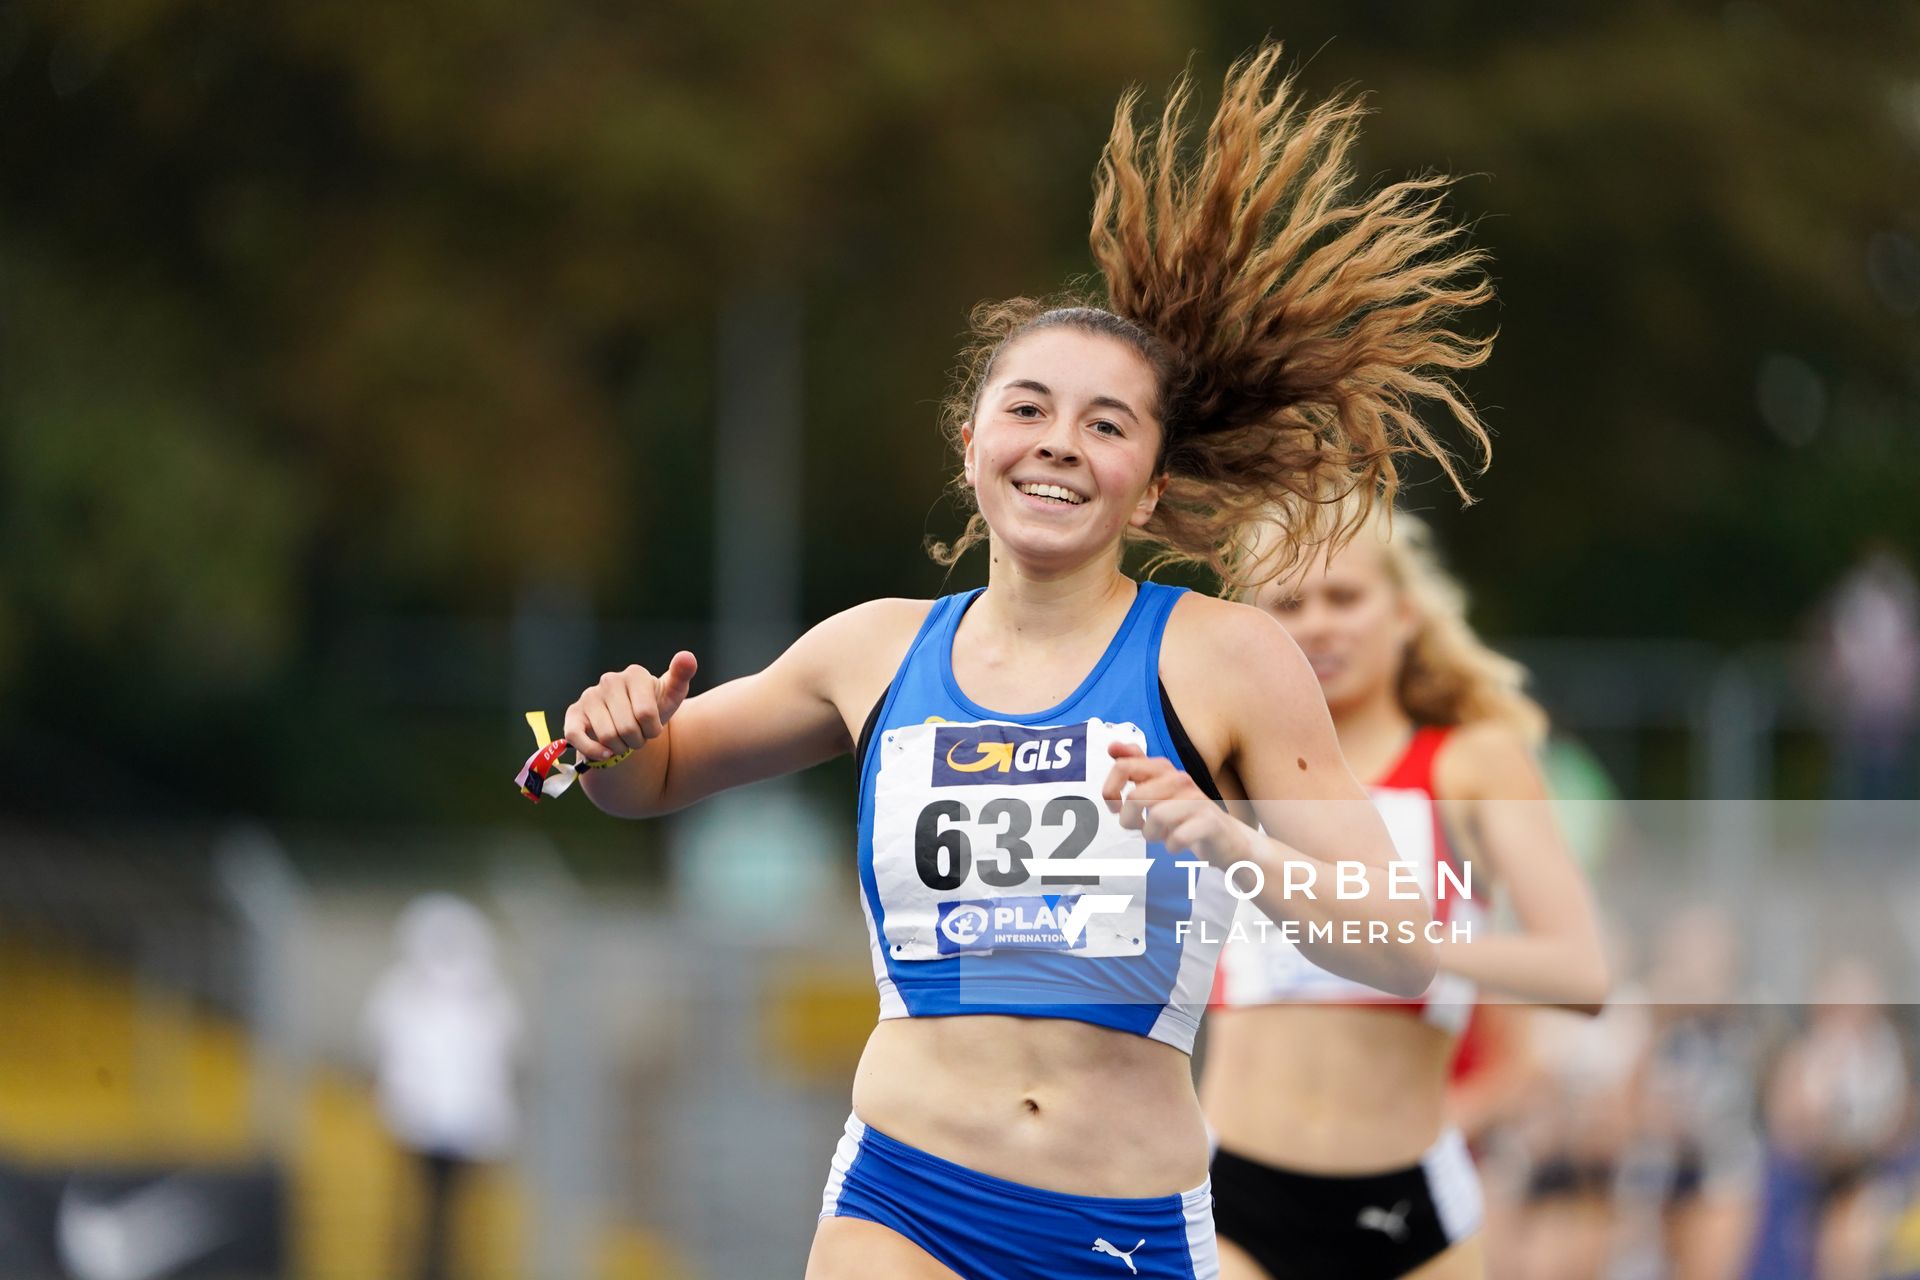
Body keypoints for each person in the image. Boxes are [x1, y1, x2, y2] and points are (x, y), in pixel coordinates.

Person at [561, 44, 1495, 1280]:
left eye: (1106, 425)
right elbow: (653, 778)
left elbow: (1399, 942)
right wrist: (615, 738)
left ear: (1150, 486)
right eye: (1028, 408)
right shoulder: (874, 647)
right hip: (904, 1193)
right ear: (971, 446)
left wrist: (1224, 839)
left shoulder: (1226, 659)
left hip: (1124, 1220)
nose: (1059, 443)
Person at [1204, 507, 1609, 1280]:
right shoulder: (1228, 766)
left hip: (1408, 1206)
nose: (1318, 625)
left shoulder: (1471, 764)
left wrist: (1403, 943)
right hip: (1235, 1197)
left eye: (1344, 597)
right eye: (1288, 603)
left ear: (1403, 611)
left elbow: (1581, 973)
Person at [362, 894, 522, 1280]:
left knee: (458, 1216)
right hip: (419, 1123)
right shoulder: (401, 992)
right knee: (422, 1212)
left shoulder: (488, 996)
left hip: (465, 1124)